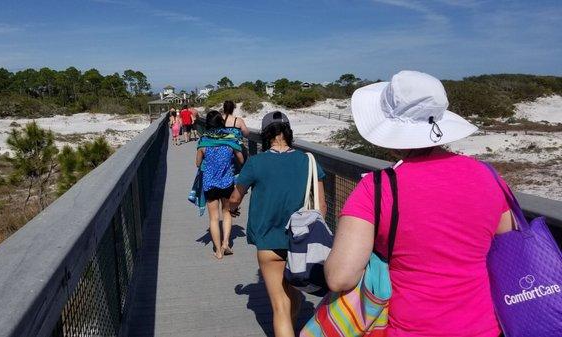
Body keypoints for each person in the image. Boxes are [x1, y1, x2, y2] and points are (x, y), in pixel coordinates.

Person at [324, 71, 513, 337]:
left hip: (410, 328)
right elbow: (506, 244)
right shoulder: (488, 176)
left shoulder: (377, 187)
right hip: (485, 327)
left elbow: (340, 277)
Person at [229, 111, 327, 337]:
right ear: (288, 132)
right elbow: (321, 207)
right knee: (293, 298)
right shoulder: (308, 160)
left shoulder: (255, 163)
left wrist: (230, 209)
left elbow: (235, 197)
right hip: (300, 243)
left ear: (266, 135)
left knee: (280, 306)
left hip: (269, 243)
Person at [196, 110, 244, 260]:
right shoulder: (231, 139)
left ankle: (218, 251)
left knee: (214, 218)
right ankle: (225, 244)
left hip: (210, 183)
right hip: (227, 182)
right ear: (221, 122)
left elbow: (197, 163)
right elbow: (241, 160)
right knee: (227, 213)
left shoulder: (203, 141)